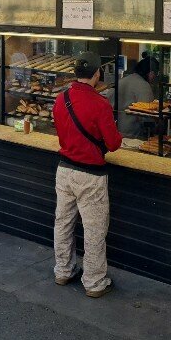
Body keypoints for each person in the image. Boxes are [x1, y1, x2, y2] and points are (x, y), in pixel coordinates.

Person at [51, 51, 123, 298]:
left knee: (63, 223)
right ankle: (94, 282)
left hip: (64, 170)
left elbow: (61, 132)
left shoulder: (61, 99)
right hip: (90, 175)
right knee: (94, 230)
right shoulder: (100, 104)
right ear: (96, 74)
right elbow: (113, 144)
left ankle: (63, 270)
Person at [116, 52, 160, 138]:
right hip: (131, 134)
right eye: (156, 74)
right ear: (151, 73)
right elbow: (147, 117)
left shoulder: (124, 80)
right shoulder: (144, 86)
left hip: (116, 131)